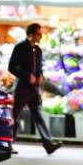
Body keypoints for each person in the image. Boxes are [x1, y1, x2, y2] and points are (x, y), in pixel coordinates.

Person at [8, 23, 62, 155]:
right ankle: (9, 143)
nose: (41, 36)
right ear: (31, 35)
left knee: (38, 115)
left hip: (34, 89)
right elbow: (12, 67)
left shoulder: (38, 50)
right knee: (15, 114)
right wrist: (26, 76)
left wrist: (40, 76)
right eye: (38, 34)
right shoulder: (20, 48)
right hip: (22, 88)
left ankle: (48, 143)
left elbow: (38, 68)